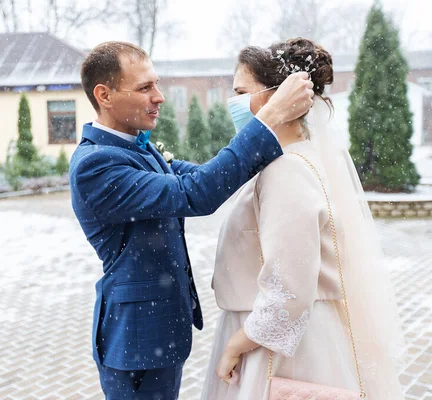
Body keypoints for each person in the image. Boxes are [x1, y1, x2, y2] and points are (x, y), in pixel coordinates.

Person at [69, 41, 314, 400]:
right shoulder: (96, 165)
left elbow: (201, 177)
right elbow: (194, 194)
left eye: (155, 83)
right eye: (144, 88)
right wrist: (268, 118)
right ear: (104, 95)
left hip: (156, 334)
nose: (159, 97)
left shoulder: (133, 145)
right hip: (136, 342)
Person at [201, 38, 405, 400]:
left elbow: (289, 288)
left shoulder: (286, 169)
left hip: (279, 349)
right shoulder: (293, 159)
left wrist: (237, 344)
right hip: (282, 335)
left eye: (240, 92)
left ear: (272, 97)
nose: (232, 104)